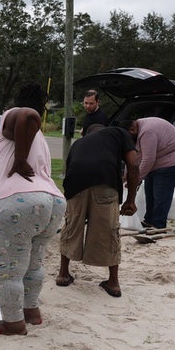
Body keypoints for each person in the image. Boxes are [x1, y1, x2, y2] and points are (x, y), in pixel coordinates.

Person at [0, 83, 66, 336]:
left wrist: (18, 160)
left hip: (14, 202)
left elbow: (28, 115)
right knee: (33, 263)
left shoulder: (16, 114)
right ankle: (31, 312)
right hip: (51, 202)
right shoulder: (39, 139)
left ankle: (12, 323)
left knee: (7, 269)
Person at [56, 124, 140, 298]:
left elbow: (68, 170)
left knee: (72, 226)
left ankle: (63, 274)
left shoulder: (78, 144)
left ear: (87, 133)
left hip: (75, 184)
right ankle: (113, 282)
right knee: (109, 230)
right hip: (105, 182)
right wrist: (131, 200)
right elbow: (133, 164)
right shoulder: (119, 131)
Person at [118, 117, 175, 229]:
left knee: (161, 193)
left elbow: (148, 159)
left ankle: (158, 224)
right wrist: (127, 176)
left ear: (132, 129)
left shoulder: (147, 132)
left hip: (173, 158)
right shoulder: (137, 130)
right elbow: (134, 158)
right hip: (158, 158)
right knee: (149, 190)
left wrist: (135, 179)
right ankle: (149, 220)